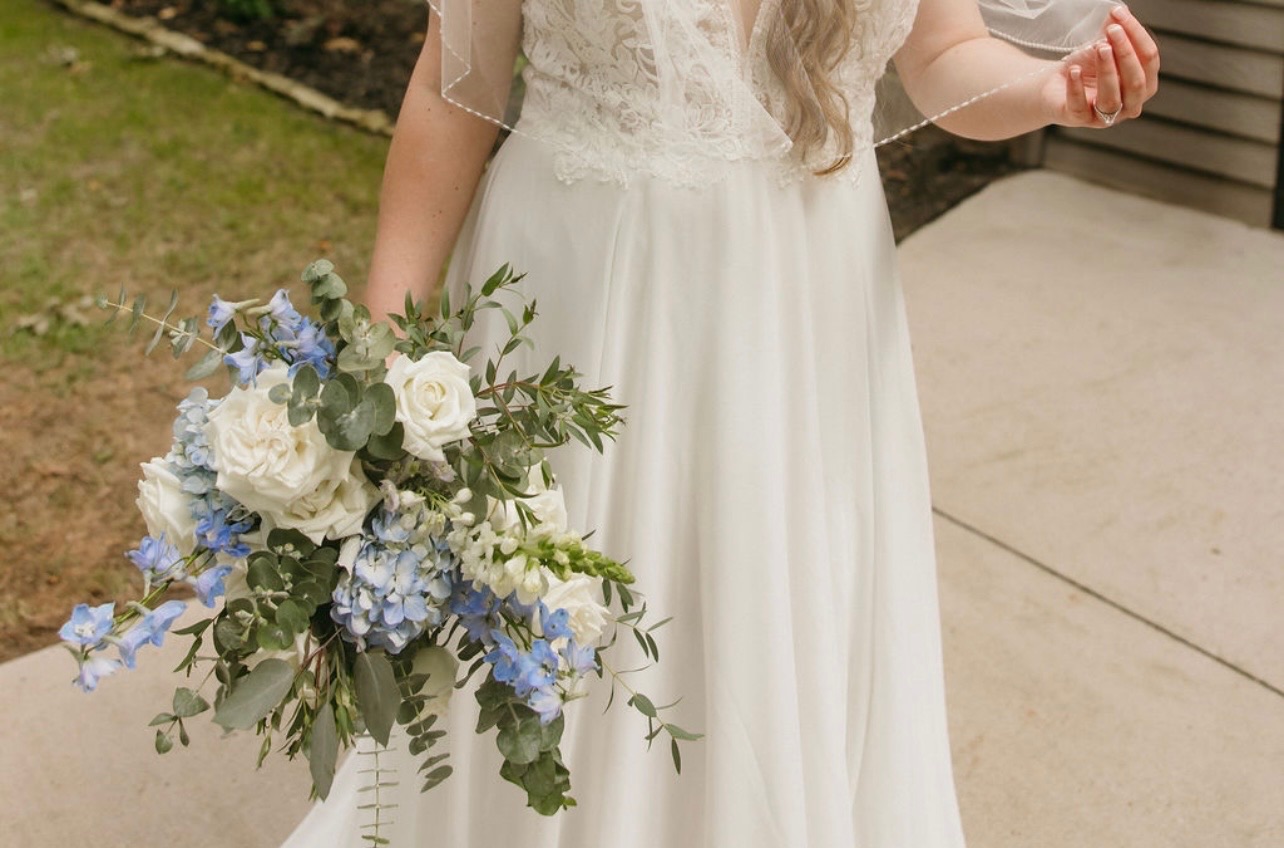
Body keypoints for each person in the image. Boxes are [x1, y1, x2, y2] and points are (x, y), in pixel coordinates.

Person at [282, 1, 1159, 845]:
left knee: (767, 609)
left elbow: (941, 54)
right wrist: (382, 348)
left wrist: (1049, 91)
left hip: (804, 305)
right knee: (564, 613)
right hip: (586, 297)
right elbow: (453, 84)